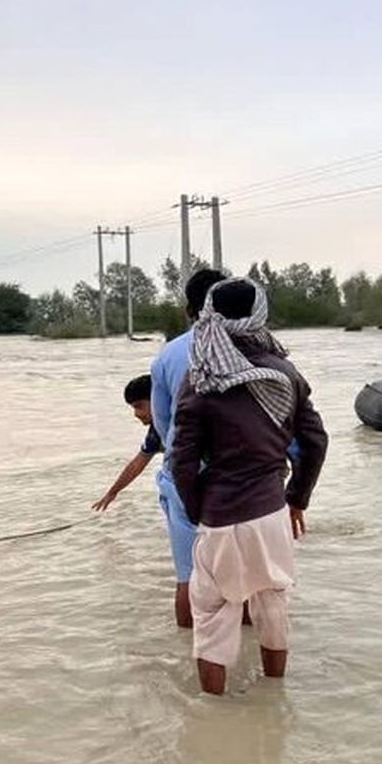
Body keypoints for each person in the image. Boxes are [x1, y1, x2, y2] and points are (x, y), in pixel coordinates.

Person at [171, 277, 328, 696]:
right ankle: (274, 696)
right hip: (272, 511)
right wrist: (297, 499)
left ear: (209, 314)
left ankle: (213, 715)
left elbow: (181, 458)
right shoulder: (287, 373)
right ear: (260, 314)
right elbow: (315, 441)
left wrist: (195, 508)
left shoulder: (200, 378)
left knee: (213, 616)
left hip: (220, 515)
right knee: (273, 602)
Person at [149, 269, 227, 628]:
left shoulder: (169, 354)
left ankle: (187, 659)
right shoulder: (254, 348)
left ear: (188, 309)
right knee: (246, 582)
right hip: (242, 478)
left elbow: (163, 423)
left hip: (185, 474)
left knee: (188, 576)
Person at [92, 375, 162, 512]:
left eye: (139, 406)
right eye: (133, 408)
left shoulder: (182, 422)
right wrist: (113, 492)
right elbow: (138, 463)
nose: (136, 414)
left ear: (157, 400)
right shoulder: (157, 431)